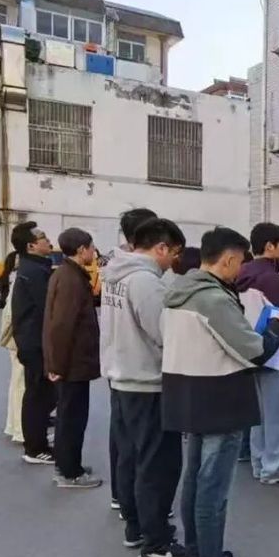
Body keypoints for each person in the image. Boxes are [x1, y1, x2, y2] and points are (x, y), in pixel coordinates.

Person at [161, 227, 279, 557]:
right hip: (219, 396)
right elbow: (254, 350)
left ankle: (196, 556)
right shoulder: (213, 300)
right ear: (229, 259)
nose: (240, 270)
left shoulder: (178, 292)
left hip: (186, 391)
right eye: (240, 262)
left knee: (194, 480)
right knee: (212, 488)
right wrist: (277, 328)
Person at [101, 218, 188, 557]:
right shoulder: (146, 282)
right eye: (174, 253)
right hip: (147, 382)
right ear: (161, 247)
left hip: (121, 378)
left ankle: (135, 527)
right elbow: (165, 334)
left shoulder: (114, 274)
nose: (173, 262)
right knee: (158, 464)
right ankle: (157, 543)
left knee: (130, 457)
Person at [237, 222, 279, 485]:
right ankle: (275, 467)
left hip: (251, 351)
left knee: (260, 414)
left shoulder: (242, 273)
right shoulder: (272, 280)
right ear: (269, 246)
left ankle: (259, 462)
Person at [104, 208, 158, 509]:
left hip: (118, 367)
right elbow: (160, 330)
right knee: (145, 451)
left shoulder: (114, 269)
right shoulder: (142, 277)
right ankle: (140, 511)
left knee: (124, 443)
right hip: (141, 372)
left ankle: (123, 499)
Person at [43, 228, 102, 488]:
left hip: (72, 363)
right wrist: (56, 364)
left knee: (70, 416)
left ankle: (67, 464)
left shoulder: (68, 274)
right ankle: (69, 472)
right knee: (72, 418)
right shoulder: (71, 280)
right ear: (81, 250)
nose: (94, 252)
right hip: (72, 364)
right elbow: (61, 325)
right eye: (91, 247)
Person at [11, 222, 57, 464]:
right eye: (43, 237)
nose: (48, 241)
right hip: (35, 343)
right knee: (38, 395)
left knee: (40, 394)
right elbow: (47, 309)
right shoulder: (35, 272)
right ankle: (35, 448)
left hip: (32, 340)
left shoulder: (35, 267)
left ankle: (37, 442)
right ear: (31, 246)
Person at [0, 252, 24, 444]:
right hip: (20, 338)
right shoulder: (20, 279)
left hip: (14, 338)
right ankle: (20, 429)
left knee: (17, 383)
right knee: (22, 384)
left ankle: (13, 425)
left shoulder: (14, 278)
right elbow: (11, 314)